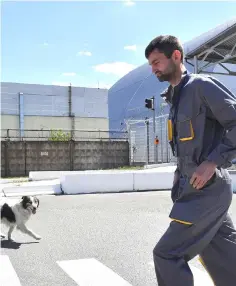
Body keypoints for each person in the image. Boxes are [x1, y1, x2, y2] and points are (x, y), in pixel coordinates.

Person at [144, 35, 236, 286]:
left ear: (176, 56)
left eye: (157, 62)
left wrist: (212, 162)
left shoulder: (202, 86)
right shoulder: (174, 97)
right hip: (191, 188)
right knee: (225, 257)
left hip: (208, 190)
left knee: (166, 254)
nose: (153, 69)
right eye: (151, 64)